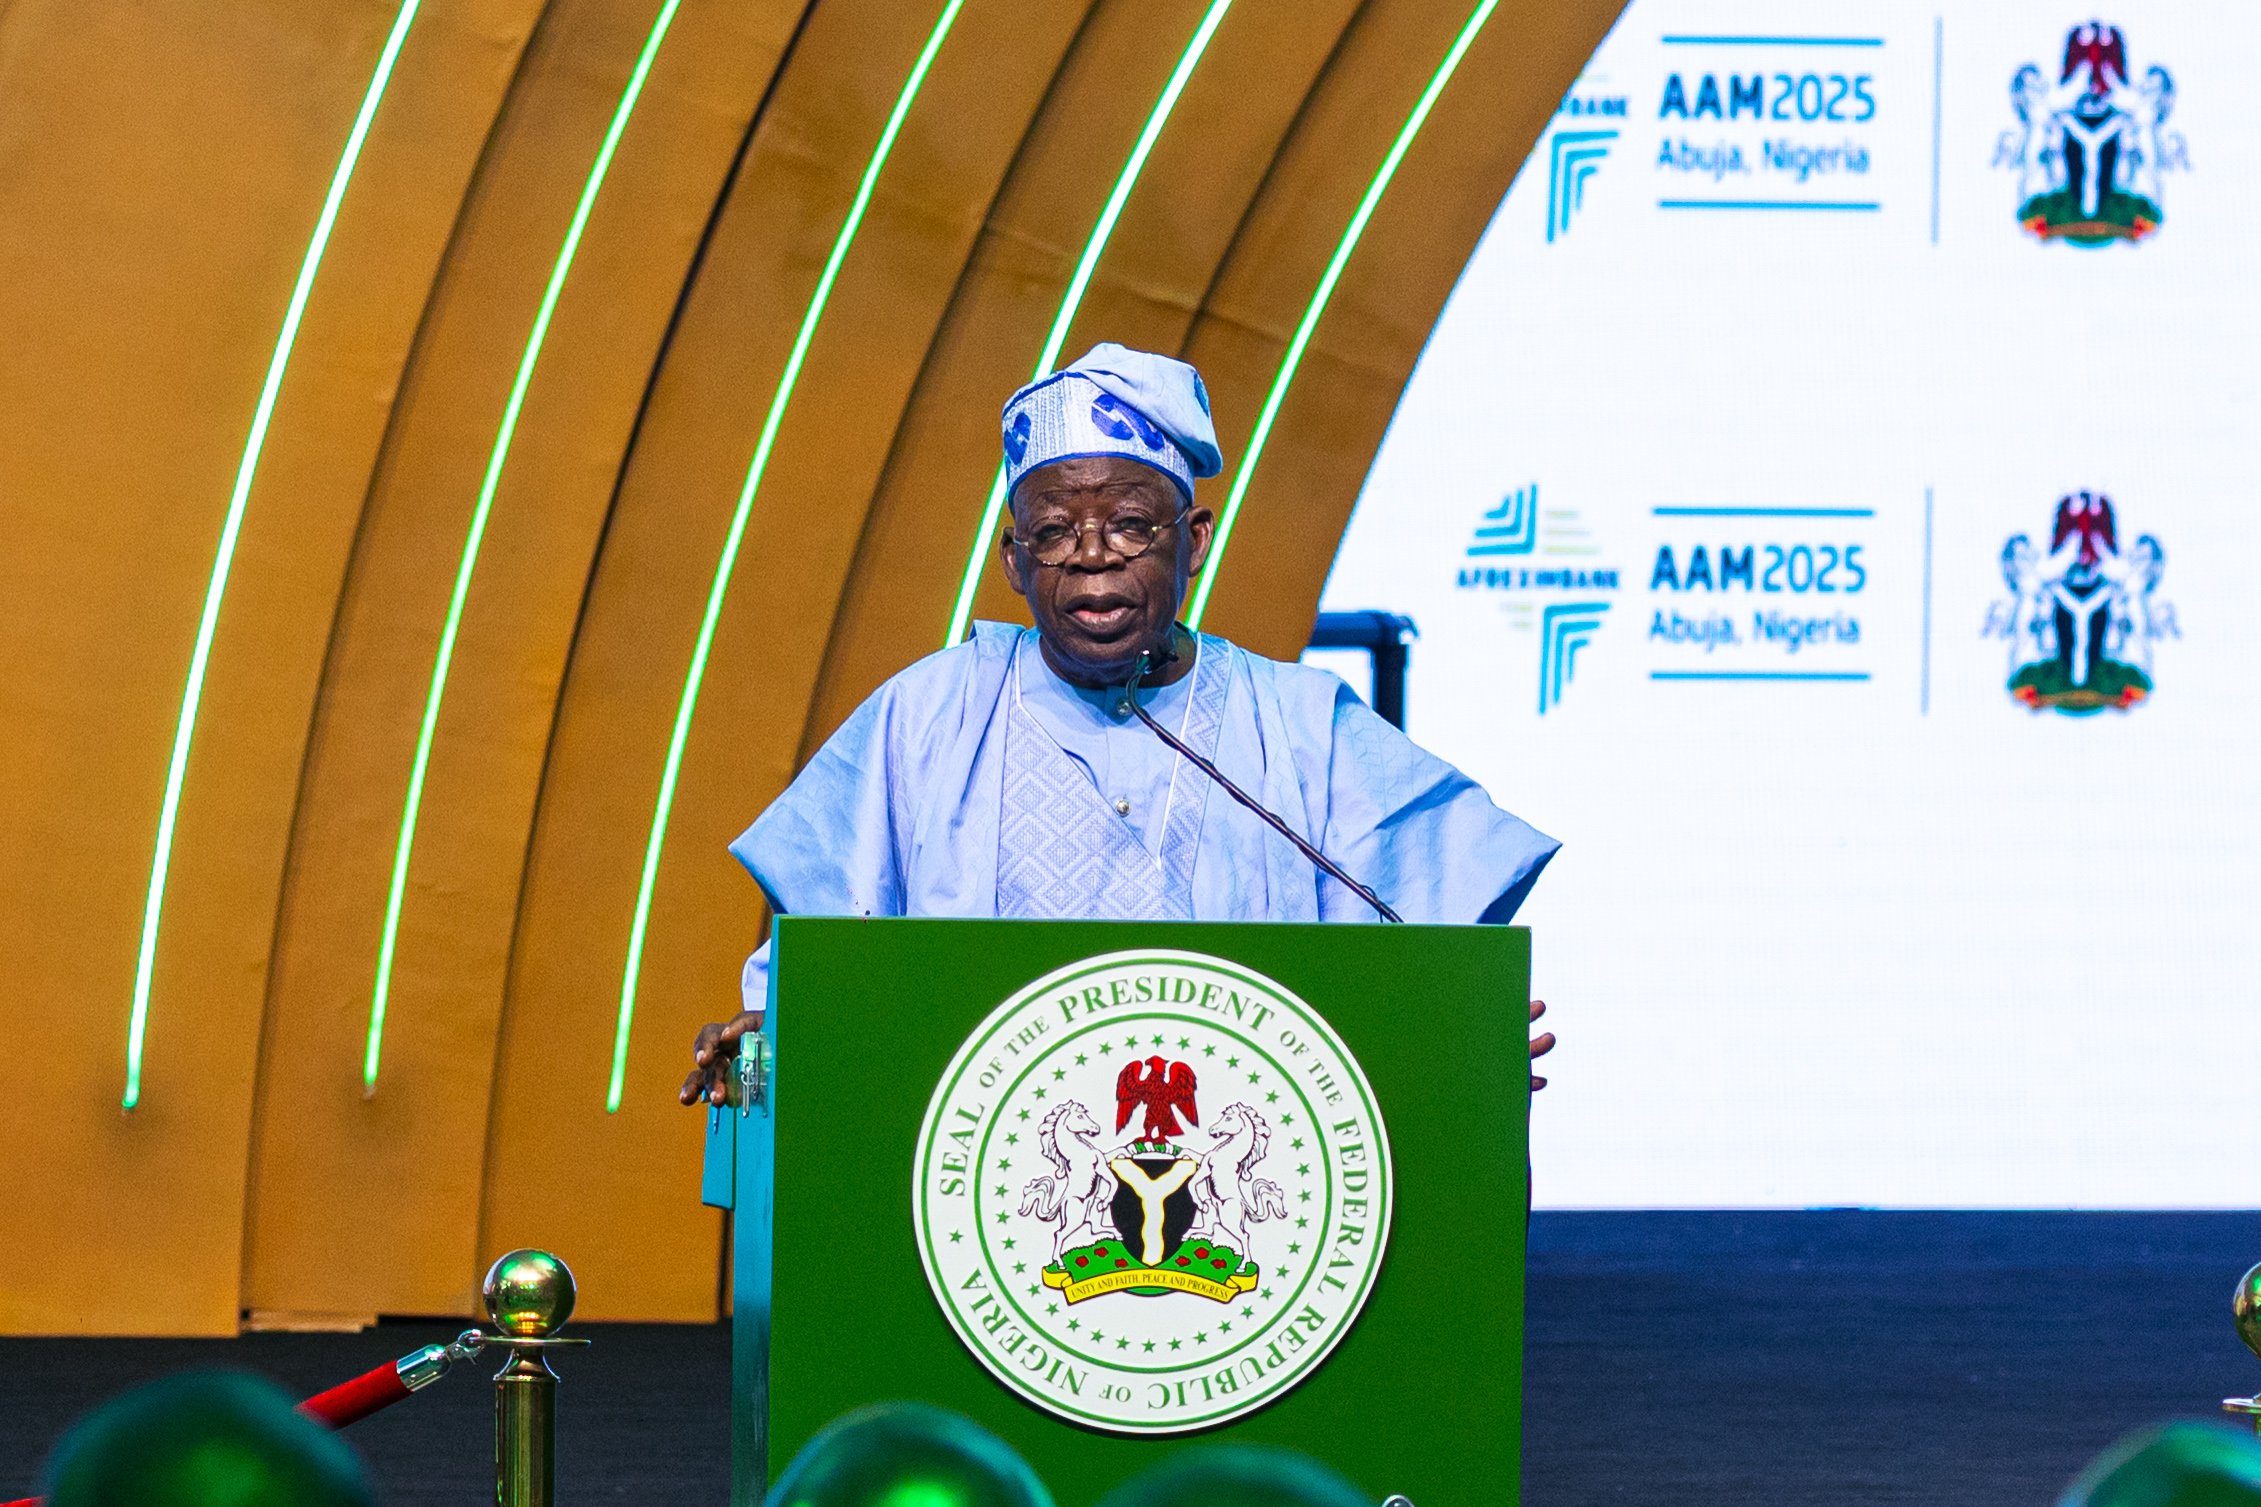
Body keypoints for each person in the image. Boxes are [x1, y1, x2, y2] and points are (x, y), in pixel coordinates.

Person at [681, 343, 1557, 1107]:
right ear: (1014, 561)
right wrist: (772, 1033)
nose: (1093, 553)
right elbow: (830, 959)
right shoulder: (925, 716)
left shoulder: (1303, 725)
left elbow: (1432, 952)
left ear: (1195, 541)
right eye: (1055, 531)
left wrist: (1459, 1031)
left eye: (1131, 525)